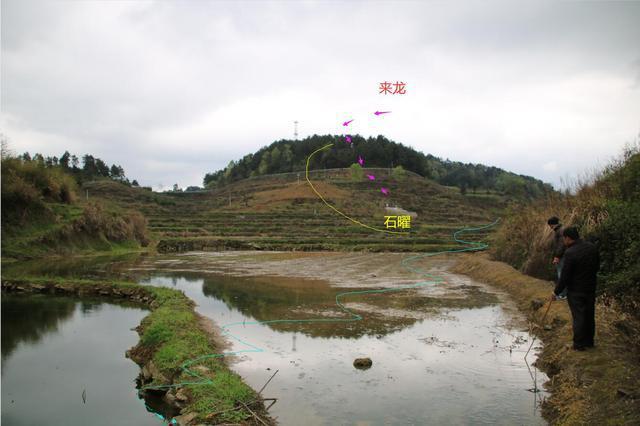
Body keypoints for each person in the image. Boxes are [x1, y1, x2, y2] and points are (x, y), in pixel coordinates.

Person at [551, 227, 600, 351]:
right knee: (589, 314)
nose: (564, 241)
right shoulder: (592, 248)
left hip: (576, 290)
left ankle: (578, 344)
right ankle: (589, 342)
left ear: (568, 238)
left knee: (579, 316)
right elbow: (597, 267)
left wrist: (556, 292)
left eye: (564, 239)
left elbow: (565, 276)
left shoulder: (570, 252)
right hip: (590, 287)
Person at [547, 216, 567, 299]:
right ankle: (563, 293)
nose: (550, 227)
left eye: (550, 225)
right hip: (562, 255)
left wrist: (557, 256)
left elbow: (561, 245)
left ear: (553, 224)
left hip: (562, 256)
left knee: (561, 275)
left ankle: (562, 294)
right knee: (562, 274)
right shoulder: (560, 230)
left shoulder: (560, 231)